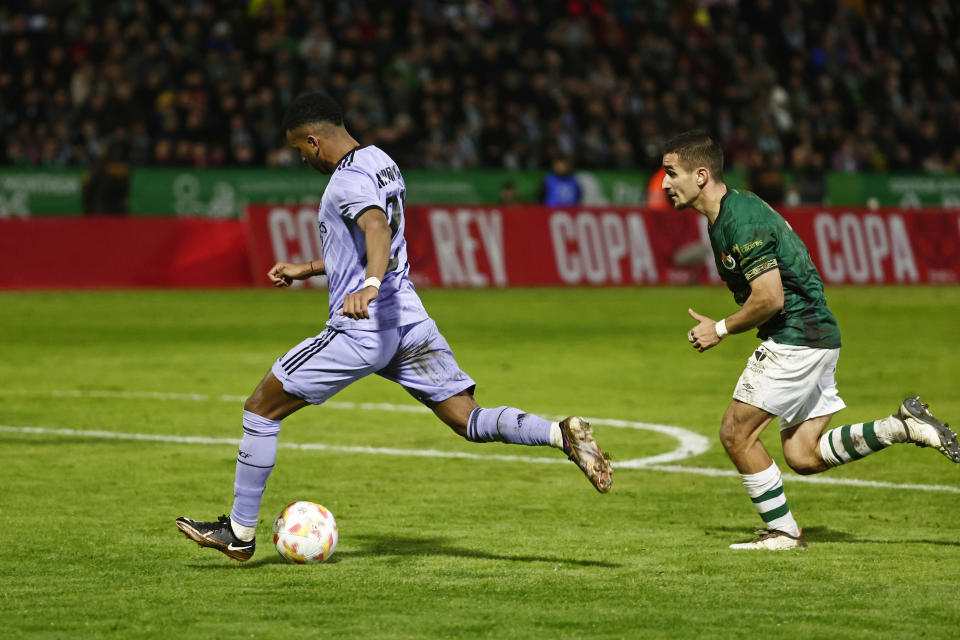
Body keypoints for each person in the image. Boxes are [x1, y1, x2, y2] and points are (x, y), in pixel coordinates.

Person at [176, 93, 613, 562]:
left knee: (261, 409)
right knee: (467, 418)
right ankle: (559, 434)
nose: (304, 161)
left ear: (313, 140)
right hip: (409, 321)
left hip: (364, 329)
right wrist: (309, 267)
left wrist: (368, 284)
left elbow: (377, 228)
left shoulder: (344, 181)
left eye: (301, 152)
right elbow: (364, 239)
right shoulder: (382, 160)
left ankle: (239, 534)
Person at [660, 130, 959, 550]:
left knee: (735, 433)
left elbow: (770, 297)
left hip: (797, 334)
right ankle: (900, 426)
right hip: (815, 333)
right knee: (803, 454)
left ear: (702, 175)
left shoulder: (739, 219)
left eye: (671, 173)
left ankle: (782, 533)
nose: (664, 183)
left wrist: (721, 328)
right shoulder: (727, 216)